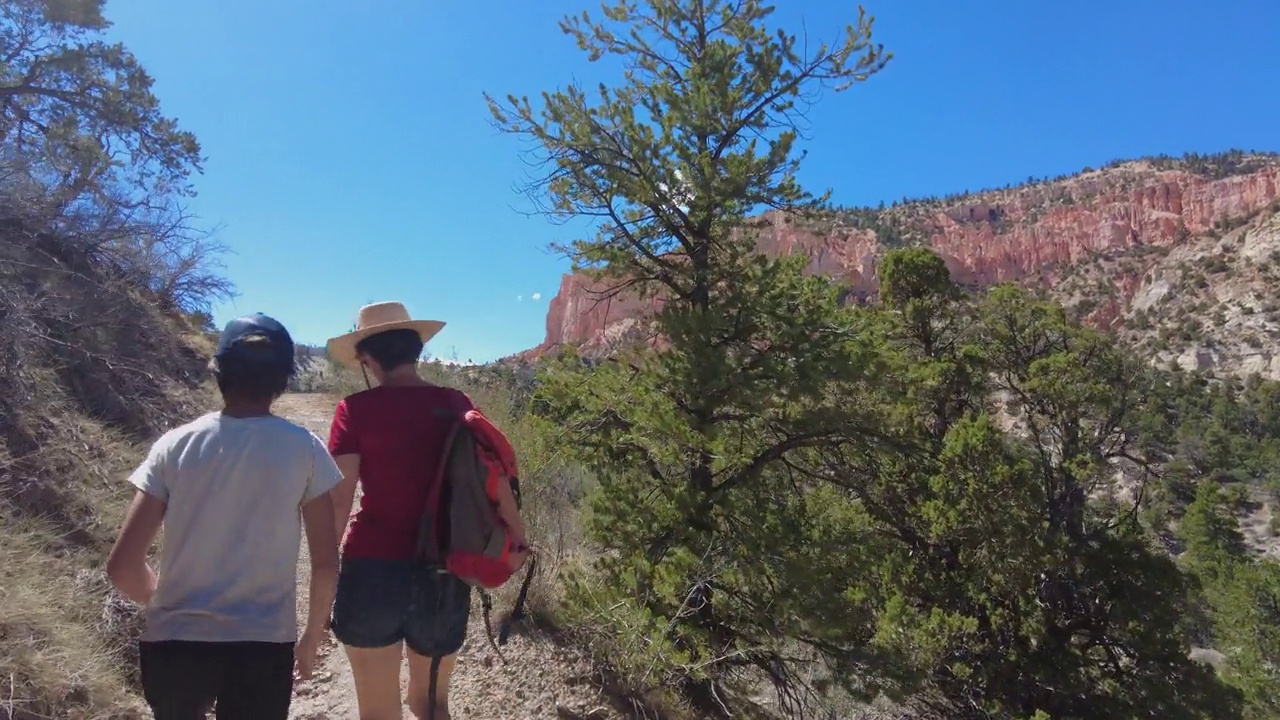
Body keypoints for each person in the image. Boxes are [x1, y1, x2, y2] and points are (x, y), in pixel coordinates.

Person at [106, 313, 343, 719]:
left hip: (175, 643)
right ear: (283, 378)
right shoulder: (304, 449)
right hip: (263, 644)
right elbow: (324, 563)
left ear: (218, 371)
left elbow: (123, 567)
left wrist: (163, 602)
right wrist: (310, 637)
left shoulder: (174, 445)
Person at [324, 301, 527, 720]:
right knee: (432, 704)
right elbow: (490, 480)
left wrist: (321, 589)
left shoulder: (354, 411)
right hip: (443, 572)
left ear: (368, 358)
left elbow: (338, 505)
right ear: (416, 350)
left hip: (371, 571)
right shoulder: (456, 402)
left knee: (379, 711)